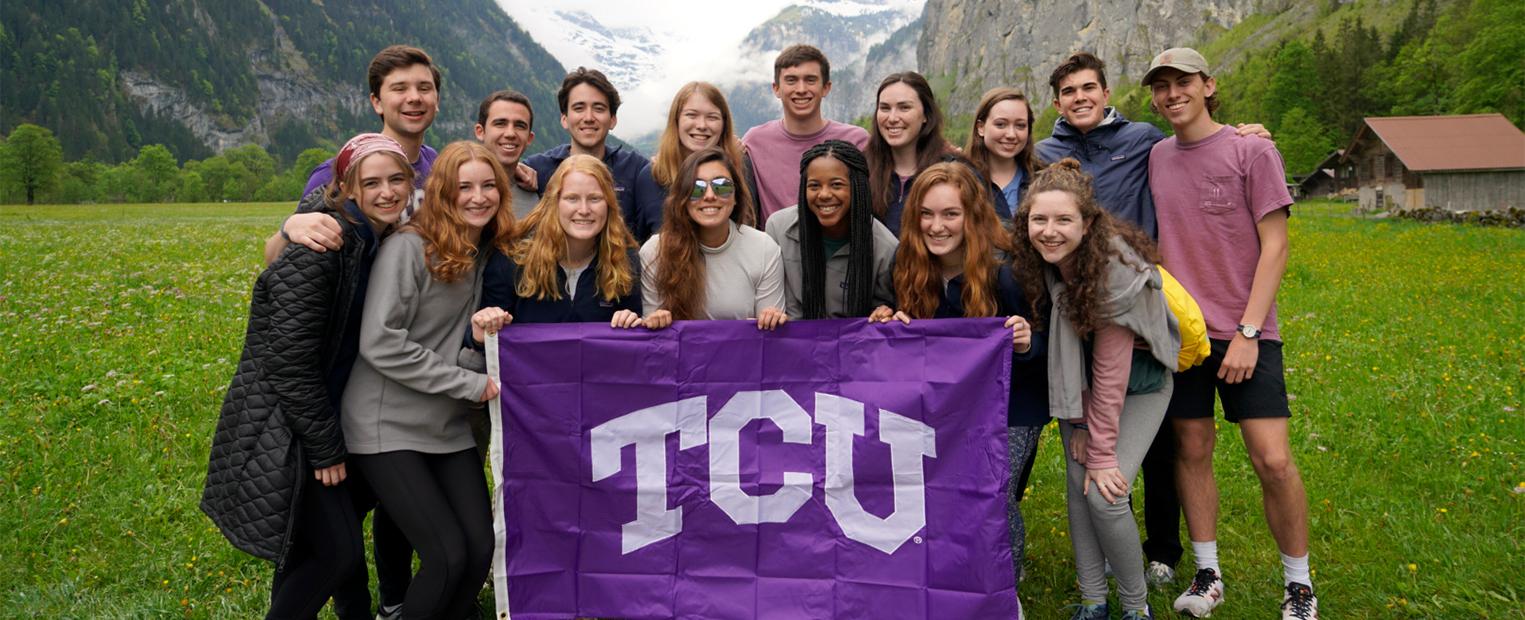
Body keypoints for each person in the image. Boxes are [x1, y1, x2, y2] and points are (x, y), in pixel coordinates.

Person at [202, 134, 414, 620]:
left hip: (328, 415)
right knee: (336, 552)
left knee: (312, 548)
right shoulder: (321, 247)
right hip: (293, 425)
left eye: (396, 180)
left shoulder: (373, 239)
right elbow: (289, 364)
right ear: (348, 188)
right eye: (372, 182)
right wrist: (325, 448)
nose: (386, 191)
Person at [1143, 47, 1316, 620]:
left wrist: (1247, 331)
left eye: (1183, 82)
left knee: (1272, 460)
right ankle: (1208, 572)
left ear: (1208, 85)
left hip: (1248, 332)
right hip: (1185, 335)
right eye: (1161, 85)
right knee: (1191, 449)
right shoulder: (1157, 156)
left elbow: (1277, 246)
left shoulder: (1252, 149)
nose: (1173, 94)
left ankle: (1298, 585)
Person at [342, 141, 514, 620]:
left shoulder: (484, 255)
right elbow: (379, 342)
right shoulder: (408, 247)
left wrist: (479, 344)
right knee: (446, 555)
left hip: (445, 425)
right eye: (464, 188)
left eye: (487, 186)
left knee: (480, 550)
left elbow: (455, 346)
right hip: (386, 425)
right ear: (442, 193)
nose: (478, 197)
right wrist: (469, 385)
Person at [867, 162, 1045, 603]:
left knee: (993, 498)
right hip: (940, 411)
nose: (937, 225)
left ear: (972, 216)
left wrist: (1025, 342)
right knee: (940, 499)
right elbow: (891, 336)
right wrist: (887, 321)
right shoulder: (905, 269)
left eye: (950, 214)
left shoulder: (1007, 271)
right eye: (926, 214)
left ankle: (1007, 588)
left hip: (1011, 409)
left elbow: (1048, 346)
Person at [1011, 158, 1181, 620]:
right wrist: (1078, 424)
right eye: (1038, 220)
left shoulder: (1115, 269)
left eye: (1063, 220)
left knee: (1105, 494)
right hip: (1080, 390)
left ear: (1087, 224)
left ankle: (1135, 607)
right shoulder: (1044, 260)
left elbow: (1111, 372)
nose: (1049, 230)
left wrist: (1101, 446)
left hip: (1140, 388)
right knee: (1076, 484)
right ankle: (1092, 600)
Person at [267, 45, 442, 265]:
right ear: (377, 102)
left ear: (437, 100)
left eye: (424, 88)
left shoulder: (436, 164)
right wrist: (288, 228)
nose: (414, 97)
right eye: (400, 89)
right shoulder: (336, 174)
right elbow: (277, 259)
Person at [480, 154, 646, 325]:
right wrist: (484, 325)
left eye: (594, 199)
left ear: (609, 205)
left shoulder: (625, 262)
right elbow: (485, 339)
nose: (584, 210)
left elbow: (632, 344)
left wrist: (631, 321)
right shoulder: (512, 261)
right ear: (554, 203)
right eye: (572, 198)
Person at [640, 147, 786, 329]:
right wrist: (656, 320)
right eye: (696, 189)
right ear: (682, 198)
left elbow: (768, 338)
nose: (709, 196)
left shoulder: (764, 249)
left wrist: (770, 320)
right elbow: (654, 337)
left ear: (736, 196)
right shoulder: (655, 251)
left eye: (722, 187)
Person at [524, 67, 665, 243]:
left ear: (612, 120)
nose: (589, 117)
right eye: (579, 108)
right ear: (564, 119)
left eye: (598, 108)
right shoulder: (537, 168)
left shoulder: (636, 169)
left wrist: (666, 167)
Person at [764, 140, 896, 319]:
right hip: (792, 341)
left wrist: (883, 313)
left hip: (851, 344)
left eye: (836, 185)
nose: (824, 194)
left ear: (857, 188)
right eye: (814, 186)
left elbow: (883, 309)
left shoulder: (885, 248)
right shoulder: (778, 228)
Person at [741, 44, 869, 226]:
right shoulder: (755, 141)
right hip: (776, 251)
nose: (801, 89)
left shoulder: (857, 140)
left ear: (826, 87)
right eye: (791, 80)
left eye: (810, 80)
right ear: (776, 88)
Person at [865, 71, 959, 237]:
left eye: (904, 107)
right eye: (885, 108)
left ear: (925, 115)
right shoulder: (862, 171)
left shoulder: (955, 172)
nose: (892, 118)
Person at [650, 81, 753, 201]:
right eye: (692, 115)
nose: (702, 125)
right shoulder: (653, 177)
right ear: (676, 120)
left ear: (724, 125)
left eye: (712, 117)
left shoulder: (741, 168)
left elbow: (749, 216)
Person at [966, 87, 1041, 223]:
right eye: (1001, 125)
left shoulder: (1042, 178)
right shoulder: (962, 180)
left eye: (1020, 125)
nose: (1011, 135)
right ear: (981, 127)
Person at [475, 90, 540, 219]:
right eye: (500, 124)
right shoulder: (454, 189)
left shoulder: (534, 204)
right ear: (480, 132)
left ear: (529, 138)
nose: (510, 133)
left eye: (520, 126)